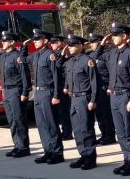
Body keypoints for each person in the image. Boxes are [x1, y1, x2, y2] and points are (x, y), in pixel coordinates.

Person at [104, 23, 130, 176]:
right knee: (120, 132)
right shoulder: (112, 53)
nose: (113, 38)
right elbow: (97, 55)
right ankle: (126, 160)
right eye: (112, 35)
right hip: (114, 96)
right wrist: (102, 43)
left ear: (125, 36)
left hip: (126, 96)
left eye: (116, 35)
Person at [61, 35, 99, 170]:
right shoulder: (70, 61)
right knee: (77, 129)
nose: (69, 47)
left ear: (80, 46)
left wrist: (93, 100)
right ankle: (83, 154)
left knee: (86, 129)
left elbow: (94, 82)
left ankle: (90, 158)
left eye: (72, 45)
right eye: (68, 45)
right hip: (74, 98)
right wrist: (66, 87)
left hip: (84, 98)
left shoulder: (87, 61)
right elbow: (66, 75)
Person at [28, 29, 65, 164]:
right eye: (34, 40)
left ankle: (57, 153)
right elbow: (23, 59)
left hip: (48, 93)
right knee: (41, 124)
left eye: (37, 40)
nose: (35, 42)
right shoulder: (36, 55)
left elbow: (56, 77)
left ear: (45, 41)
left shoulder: (50, 55)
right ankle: (48, 151)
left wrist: (56, 95)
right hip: (38, 93)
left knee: (51, 124)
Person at [0, 31, 31, 157]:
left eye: (5, 41)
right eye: (2, 41)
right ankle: (17, 145)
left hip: (16, 90)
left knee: (19, 119)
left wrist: (25, 91)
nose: (2, 43)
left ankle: (23, 147)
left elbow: (25, 75)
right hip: (6, 91)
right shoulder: (4, 56)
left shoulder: (17, 56)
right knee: (11, 120)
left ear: (12, 42)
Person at [88, 32, 117, 145]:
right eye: (90, 43)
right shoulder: (91, 55)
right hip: (96, 89)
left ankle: (110, 135)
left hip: (105, 88)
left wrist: (110, 86)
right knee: (99, 114)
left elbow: (111, 72)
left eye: (94, 42)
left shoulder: (107, 54)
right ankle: (104, 134)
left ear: (100, 42)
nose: (91, 45)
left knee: (106, 113)